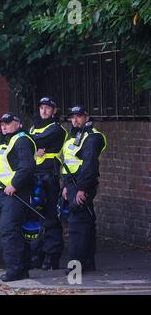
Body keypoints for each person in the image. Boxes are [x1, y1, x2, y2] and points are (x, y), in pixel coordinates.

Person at [62, 105, 106, 274]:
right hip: (72, 184)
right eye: (73, 117)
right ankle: (87, 262)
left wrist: (82, 188)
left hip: (82, 184)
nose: (75, 120)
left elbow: (89, 165)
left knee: (76, 224)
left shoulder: (92, 137)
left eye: (79, 116)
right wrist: (66, 185)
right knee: (86, 220)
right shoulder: (74, 136)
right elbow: (68, 162)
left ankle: (75, 266)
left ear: (87, 117)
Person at [0, 113, 36, 282]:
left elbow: (27, 167)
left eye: (8, 123)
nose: (3, 126)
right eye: (2, 124)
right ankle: (22, 268)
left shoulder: (21, 140)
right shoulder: (8, 140)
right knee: (17, 231)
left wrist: (14, 184)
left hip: (16, 193)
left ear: (17, 124)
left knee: (9, 231)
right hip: (7, 193)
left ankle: (14, 270)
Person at [28, 97, 67, 270]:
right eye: (42, 107)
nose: (44, 111)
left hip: (48, 178)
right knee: (35, 219)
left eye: (48, 108)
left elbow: (35, 141)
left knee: (51, 218)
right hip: (33, 177)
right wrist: (34, 146)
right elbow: (28, 143)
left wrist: (33, 144)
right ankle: (37, 255)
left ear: (54, 111)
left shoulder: (56, 129)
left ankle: (52, 257)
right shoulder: (33, 127)